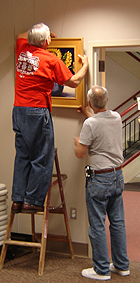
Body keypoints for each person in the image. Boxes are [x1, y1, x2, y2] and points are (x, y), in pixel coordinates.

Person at [11, 23, 88, 214]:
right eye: (49, 38)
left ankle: (18, 199)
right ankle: (33, 201)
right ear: (46, 41)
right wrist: (85, 66)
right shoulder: (51, 59)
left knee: (22, 156)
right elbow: (74, 81)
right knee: (42, 157)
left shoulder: (22, 49)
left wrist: (42, 31)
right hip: (36, 111)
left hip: (19, 110)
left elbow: (21, 34)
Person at [74, 85, 130, 280]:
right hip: (117, 176)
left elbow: (80, 153)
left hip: (99, 179)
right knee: (117, 222)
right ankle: (122, 266)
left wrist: (77, 141)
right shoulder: (116, 117)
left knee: (97, 224)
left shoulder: (89, 125)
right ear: (106, 101)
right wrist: (87, 113)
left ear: (90, 102)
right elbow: (97, 120)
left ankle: (101, 270)